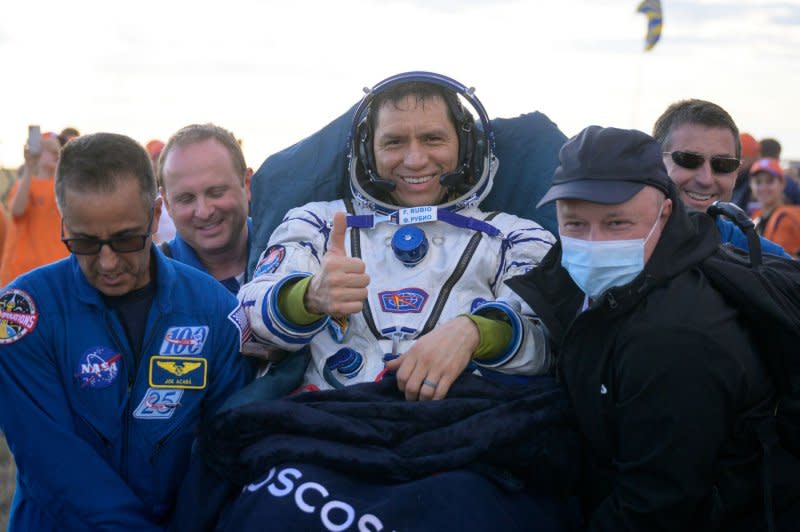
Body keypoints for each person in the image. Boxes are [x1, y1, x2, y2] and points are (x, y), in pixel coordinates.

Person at [507, 125, 800, 530]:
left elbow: (655, 506)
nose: (593, 243)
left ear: (664, 214)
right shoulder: (601, 281)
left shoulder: (676, 338)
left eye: (617, 224)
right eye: (574, 224)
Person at [238, 72, 555, 400]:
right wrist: (308, 296)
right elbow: (247, 314)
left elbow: (549, 343)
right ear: (367, 149)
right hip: (332, 421)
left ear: (465, 147)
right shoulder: (318, 223)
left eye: (433, 139)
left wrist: (477, 332)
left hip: (464, 423)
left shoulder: (514, 238)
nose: (415, 160)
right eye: (394, 142)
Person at [0, 132, 253, 530]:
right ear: (65, 222)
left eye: (125, 239)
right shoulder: (21, 313)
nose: (107, 262)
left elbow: (221, 451)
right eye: (83, 242)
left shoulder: (213, 309)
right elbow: (52, 461)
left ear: (155, 216)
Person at [652, 98, 790, 257]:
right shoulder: (625, 237)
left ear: (737, 171)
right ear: (654, 161)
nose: (706, 179)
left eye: (723, 164)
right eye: (688, 160)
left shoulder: (755, 250)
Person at [158, 124, 252, 294]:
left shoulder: (296, 249)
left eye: (216, 193)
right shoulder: (150, 279)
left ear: (246, 184)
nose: (203, 212)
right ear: (166, 203)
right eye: (186, 199)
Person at [0, 131, 69, 286]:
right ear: (37, 153)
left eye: (58, 150)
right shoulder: (25, 185)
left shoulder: (64, 186)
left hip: (57, 269)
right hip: (23, 272)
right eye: (50, 150)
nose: (56, 153)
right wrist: (29, 168)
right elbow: (17, 211)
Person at [751, 157, 800, 257]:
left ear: (782, 184)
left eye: (769, 181)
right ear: (751, 185)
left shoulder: (791, 218)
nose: (763, 187)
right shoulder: (756, 216)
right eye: (758, 182)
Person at [731, 132, 760, 211]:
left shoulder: (755, 182)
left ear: (753, 158)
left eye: (741, 158)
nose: (736, 162)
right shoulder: (735, 179)